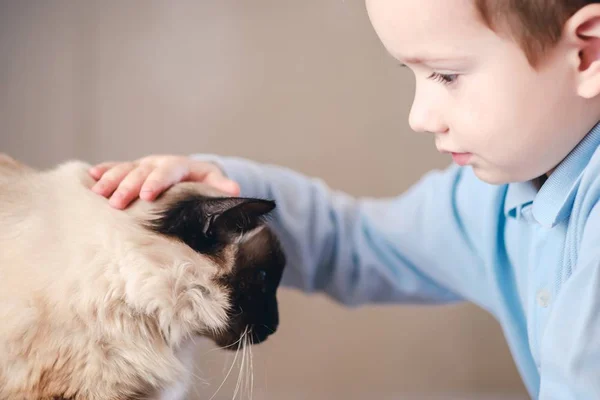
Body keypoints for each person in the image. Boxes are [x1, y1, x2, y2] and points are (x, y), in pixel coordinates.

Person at [88, 1, 600, 398]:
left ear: (587, 54)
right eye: (413, 75)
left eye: (447, 75)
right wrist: (224, 191)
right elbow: (358, 243)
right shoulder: (494, 198)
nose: (419, 116)